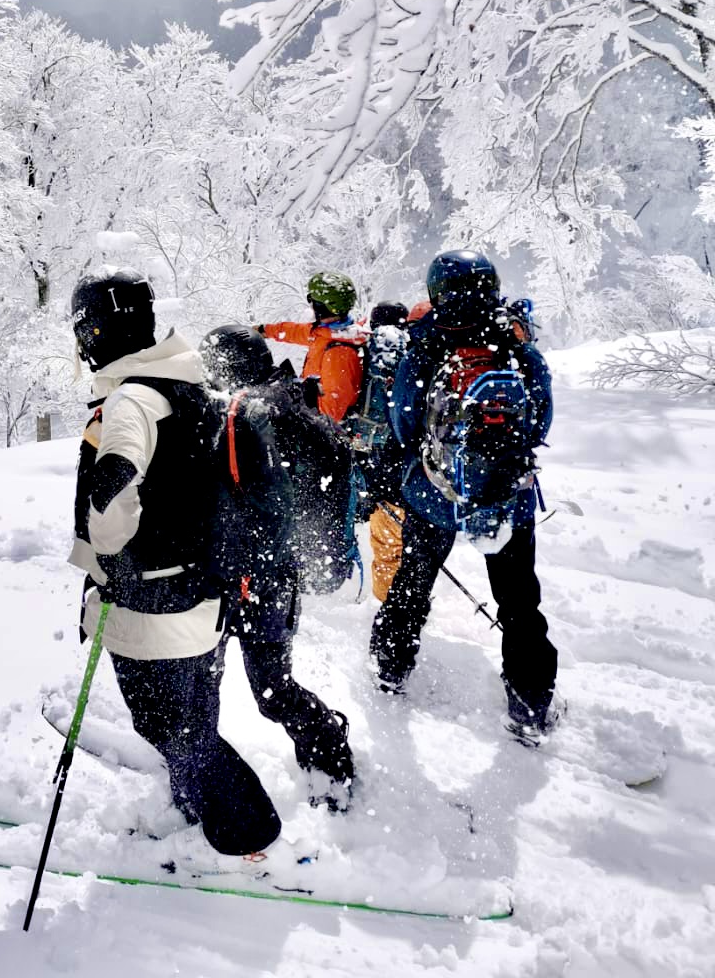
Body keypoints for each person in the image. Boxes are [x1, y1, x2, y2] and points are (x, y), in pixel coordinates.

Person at [68, 272, 280, 857]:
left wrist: (103, 535)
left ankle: (246, 833)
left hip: (149, 603)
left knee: (169, 728)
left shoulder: (130, 400)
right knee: (196, 718)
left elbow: (114, 499)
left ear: (96, 330)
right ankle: (197, 817)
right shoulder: (194, 388)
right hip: (206, 593)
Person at [369, 251, 561, 743]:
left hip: (436, 495)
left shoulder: (425, 345)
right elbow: (540, 421)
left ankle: (390, 667)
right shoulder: (516, 345)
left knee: (413, 582)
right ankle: (530, 704)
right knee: (519, 600)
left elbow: (405, 423)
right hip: (506, 496)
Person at [199, 325, 355, 809]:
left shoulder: (247, 412)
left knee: (208, 685)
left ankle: (202, 783)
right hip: (275, 574)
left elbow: (244, 498)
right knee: (272, 688)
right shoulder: (293, 400)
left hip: (245, 575)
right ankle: (331, 764)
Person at [349, 302, 410, 604]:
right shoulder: (414, 352)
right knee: (409, 538)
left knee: (385, 540)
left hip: (372, 451)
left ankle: (387, 603)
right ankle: (408, 600)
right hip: (408, 457)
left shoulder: (366, 349)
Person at [257, 272, 366, 423]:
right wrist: (263, 330)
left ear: (322, 307)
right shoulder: (329, 332)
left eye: (312, 300)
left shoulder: (339, 353)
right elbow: (295, 331)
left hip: (323, 429)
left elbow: (331, 412)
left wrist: (297, 401)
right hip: (311, 410)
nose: (311, 305)